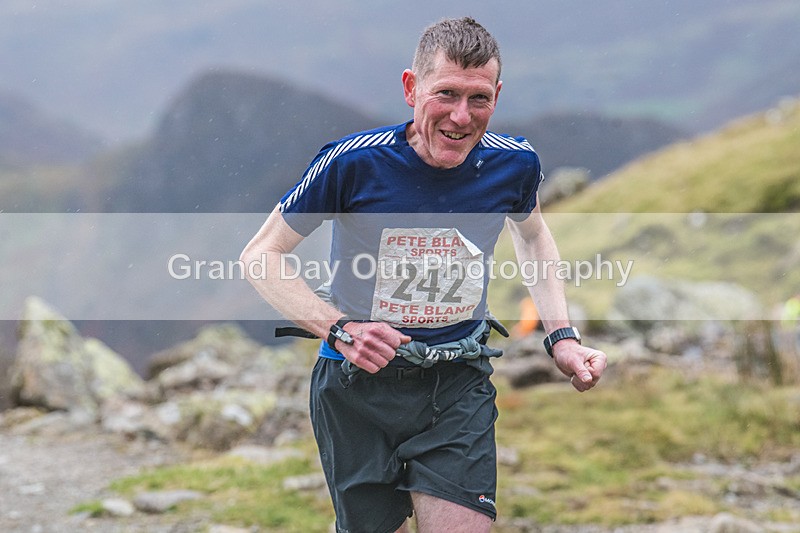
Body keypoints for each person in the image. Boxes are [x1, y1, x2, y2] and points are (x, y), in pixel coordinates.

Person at [241, 17, 607, 533]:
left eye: (478, 98)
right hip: (355, 389)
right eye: (446, 94)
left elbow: (532, 235)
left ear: (497, 97)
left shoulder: (514, 166)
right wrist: (340, 329)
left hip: (456, 383)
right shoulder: (353, 164)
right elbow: (261, 255)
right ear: (412, 88)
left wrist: (561, 337)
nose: (461, 116)